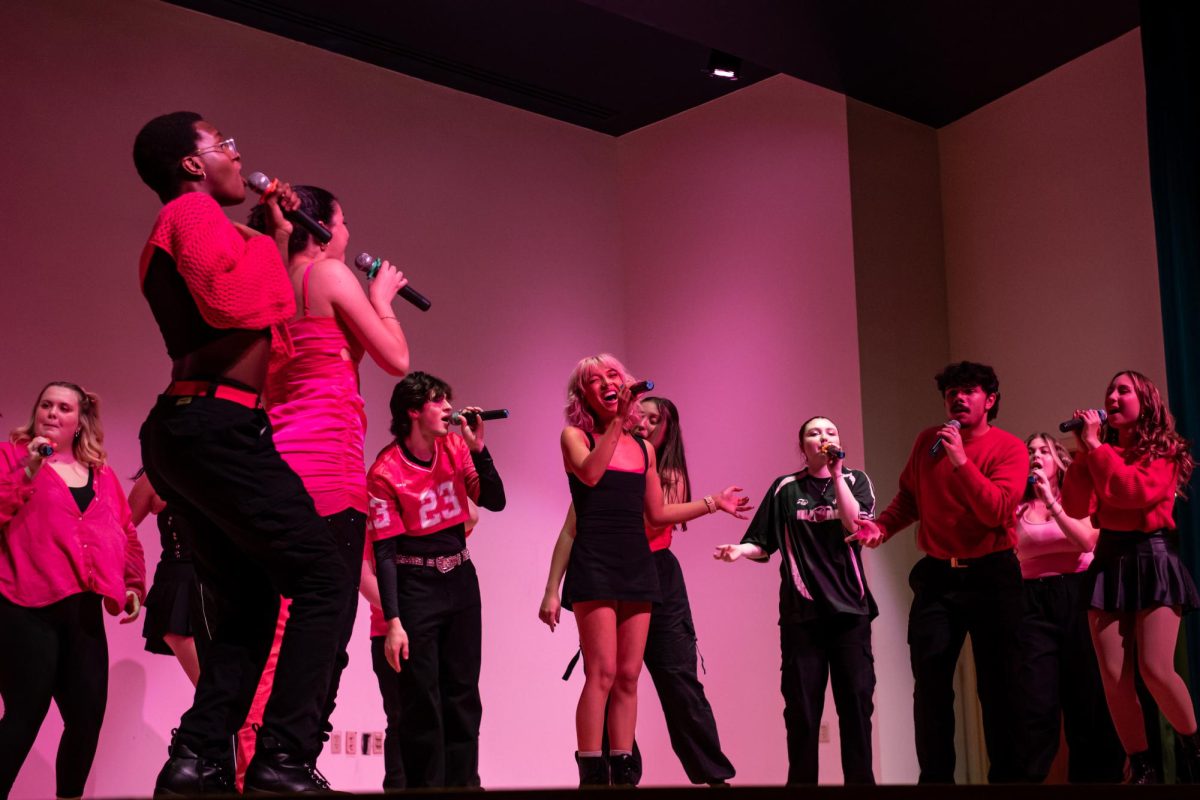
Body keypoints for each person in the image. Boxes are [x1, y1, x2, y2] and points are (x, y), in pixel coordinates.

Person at [133, 111, 347, 793]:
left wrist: (270, 236)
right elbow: (234, 301)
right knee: (325, 576)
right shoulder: (191, 213)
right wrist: (273, 245)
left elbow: (256, 321)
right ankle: (283, 757)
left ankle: (196, 757)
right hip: (211, 426)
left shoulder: (206, 225)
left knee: (252, 601)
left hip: (196, 427)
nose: (236, 154)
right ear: (191, 165)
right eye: (223, 144)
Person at [234, 185, 410, 779]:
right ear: (321, 225)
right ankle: (276, 764)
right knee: (316, 631)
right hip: (326, 469)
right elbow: (395, 358)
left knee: (285, 627)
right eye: (344, 220)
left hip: (279, 468)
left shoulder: (271, 288)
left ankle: (277, 763)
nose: (349, 231)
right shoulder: (329, 277)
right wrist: (382, 296)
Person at [558, 354, 749, 787]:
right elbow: (590, 475)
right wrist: (614, 426)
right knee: (601, 673)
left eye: (613, 376)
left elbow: (658, 512)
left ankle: (624, 772)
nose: (607, 383)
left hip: (639, 565)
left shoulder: (644, 449)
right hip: (597, 563)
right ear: (583, 395)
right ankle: (593, 773)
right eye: (595, 380)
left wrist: (713, 503)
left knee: (628, 675)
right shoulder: (576, 436)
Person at [856, 361, 1028, 783]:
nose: (958, 396)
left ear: (990, 400)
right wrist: (881, 526)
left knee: (999, 689)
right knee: (930, 688)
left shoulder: (1008, 448)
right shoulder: (927, 443)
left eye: (968, 389)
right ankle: (936, 783)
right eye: (951, 390)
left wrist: (961, 461)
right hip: (938, 578)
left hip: (992, 578)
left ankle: (1007, 782)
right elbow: (909, 500)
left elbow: (997, 511)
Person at [0, 382, 146, 799]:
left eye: (63, 407)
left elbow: (125, 533)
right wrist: (28, 469)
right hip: (23, 605)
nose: (51, 413)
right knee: (25, 716)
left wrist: (133, 582)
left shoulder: (101, 475)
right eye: (45, 404)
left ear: (79, 421)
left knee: (86, 719)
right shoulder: (10, 457)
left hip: (82, 610)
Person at [715, 415, 878, 784]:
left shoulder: (856, 480)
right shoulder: (785, 488)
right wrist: (739, 551)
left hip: (851, 613)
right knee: (802, 714)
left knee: (856, 708)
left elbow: (856, 526)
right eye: (814, 432)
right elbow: (763, 542)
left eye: (831, 431)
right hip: (801, 616)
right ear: (802, 446)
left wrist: (837, 475)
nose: (824, 437)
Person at [367, 372, 506, 788]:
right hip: (415, 584)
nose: (449, 408)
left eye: (449, 399)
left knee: (463, 695)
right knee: (421, 701)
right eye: (438, 400)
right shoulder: (384, 471)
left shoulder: (454, 446)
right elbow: (385, 555)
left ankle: (465, 786)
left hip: (460, 579)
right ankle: (426, 789)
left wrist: (479, 451)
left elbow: (494, 500)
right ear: (413, 411)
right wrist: (393, 622)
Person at [1061, 371, 1200, 783]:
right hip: (1110, 559)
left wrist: (1095, 449)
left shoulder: (1165, 452)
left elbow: (1131, 492)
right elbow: (1075, 504)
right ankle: (1141, 765)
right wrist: (1083, 455)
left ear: (1147, 402)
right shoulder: (1100, 452)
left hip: (1152, 556)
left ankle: (1193, 750)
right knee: (1113, 675)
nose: (1114, 397)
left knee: (1155, 667)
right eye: (1110, 391)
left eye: (1124, 390)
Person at [1016, 433, 1124, 783]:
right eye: (1030, 451)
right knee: (1037, 702)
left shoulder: (1077, 498)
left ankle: (1096, 782)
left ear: (1059, 461)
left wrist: (1052, 501)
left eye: (1043, 450)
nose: (1035, 455)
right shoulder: (1016, 507)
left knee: (1086, 698)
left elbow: (1086, 540)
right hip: (1032, 601)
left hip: (1078, 595)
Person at [130, 471, 206, 686]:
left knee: (230, 694)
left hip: (224, 585)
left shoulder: (226, 466)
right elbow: (119, 531)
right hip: (180, 583)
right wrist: (129, 582)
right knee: (215, 696)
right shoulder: (156, 476)